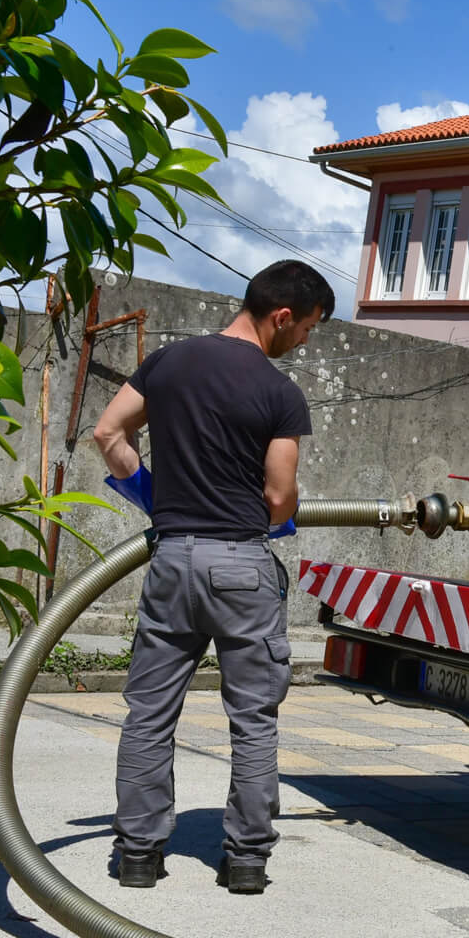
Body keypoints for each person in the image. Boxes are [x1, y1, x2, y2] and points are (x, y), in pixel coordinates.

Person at [92, 260, 332, 894]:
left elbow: (107, 430)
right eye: (307, 328)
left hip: (171, 559)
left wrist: (148, 492)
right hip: (242, 566)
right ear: (282, 316)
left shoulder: (169, 363)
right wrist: (266, 508)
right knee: (252, 717)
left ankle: (139, 855)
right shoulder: (280, 393)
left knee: (149, 713)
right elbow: (280, 498)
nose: (305, 341)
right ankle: (246, 861)